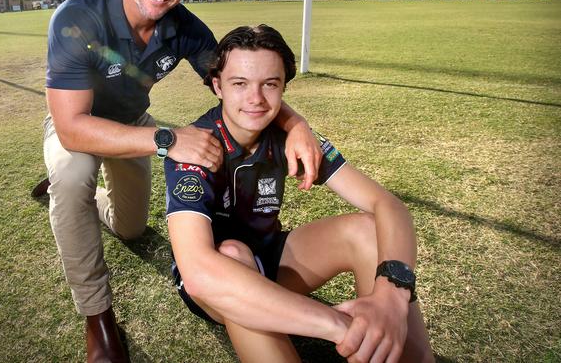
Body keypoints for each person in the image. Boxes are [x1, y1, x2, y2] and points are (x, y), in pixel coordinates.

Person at [42, 0, 321, 362]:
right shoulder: (78, 17)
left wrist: (297, 123)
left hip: (134, 123)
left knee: (131, 228)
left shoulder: (186, 27)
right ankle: (98, 318)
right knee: (73, 177)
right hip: (78, 122)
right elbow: (73, 127)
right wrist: (169, 139)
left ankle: (88, 196)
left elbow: (239, 80)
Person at [164, 25, 435, 362]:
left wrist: (391, 296)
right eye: (240, 84)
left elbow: (388, 205)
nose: (256, 99)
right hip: (217, 285)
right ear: (217, 86)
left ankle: (409, 354)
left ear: (283, 88)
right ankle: (358, 334)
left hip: (271, 259)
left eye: (270, 85)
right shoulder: (196, 146)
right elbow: (200, 274)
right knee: (233, 253)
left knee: (367, 230)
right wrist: (339, 325)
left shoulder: (292, 137)